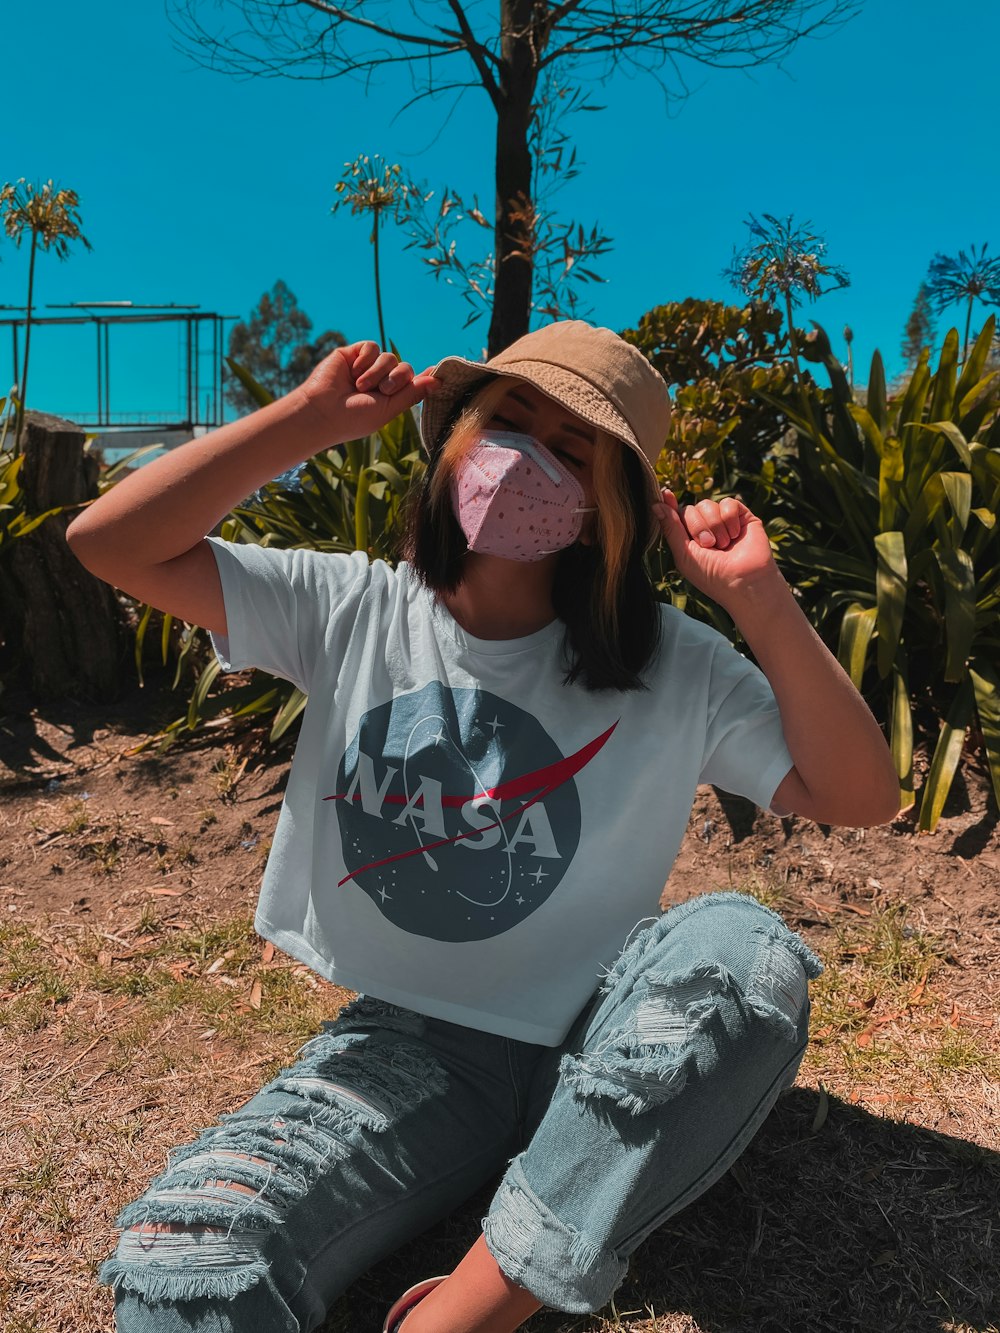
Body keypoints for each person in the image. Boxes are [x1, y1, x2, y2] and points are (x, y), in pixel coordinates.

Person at [67, 321, 899, 1333]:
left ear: (610, 509)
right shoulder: (350, 608)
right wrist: (302, 422)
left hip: (612, 1022)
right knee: (183, 1260)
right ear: (452, 436)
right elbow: (106, 543)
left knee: (746, 953)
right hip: (418, 1048)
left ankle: (470, 1308)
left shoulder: (673, 664)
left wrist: (759, 599)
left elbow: (860, 793)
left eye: (572, 446)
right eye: (506, 419)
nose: (523, 458)